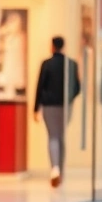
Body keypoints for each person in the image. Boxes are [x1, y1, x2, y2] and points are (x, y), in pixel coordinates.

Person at [34, 36, 81, 188]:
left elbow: (40, 87)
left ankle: (55, 168)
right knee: (61, 137)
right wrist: (69, 99)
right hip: (64, 106)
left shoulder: (47, 64)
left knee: (52, 137)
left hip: (49, 106)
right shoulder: (71, 64)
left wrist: (36, 107)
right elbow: (77, 87)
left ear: (52, 46)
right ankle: (62, 171)